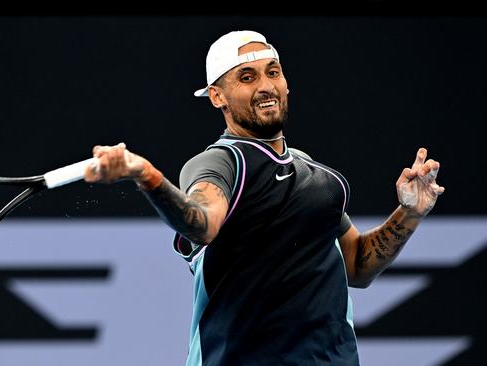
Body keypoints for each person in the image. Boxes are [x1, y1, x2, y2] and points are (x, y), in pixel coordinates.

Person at [84, 30, 444, 365]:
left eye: (273, 72)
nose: (266, 86)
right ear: (216, 96)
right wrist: (148, 177)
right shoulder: (222, 162)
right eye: (247, 77)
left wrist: (410, 213)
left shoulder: (314, 174)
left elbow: (358, 266)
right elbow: (203, 224)